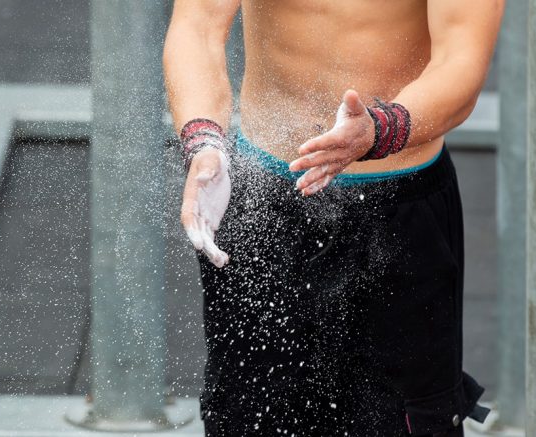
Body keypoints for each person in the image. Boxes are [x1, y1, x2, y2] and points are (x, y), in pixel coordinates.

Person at [163, 1, 504, 436]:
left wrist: (379, 130)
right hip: (263, 197)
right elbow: (198, 25)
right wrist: (204, 142)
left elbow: (461, 61)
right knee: (249, 415)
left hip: (397, 207)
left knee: (405, 421)